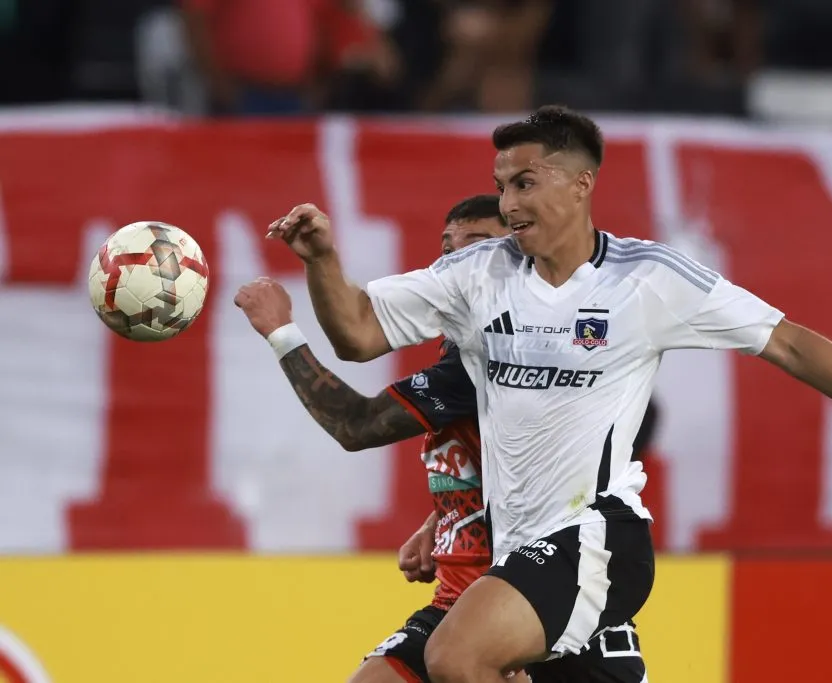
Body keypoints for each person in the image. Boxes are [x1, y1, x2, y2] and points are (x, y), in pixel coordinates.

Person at [264, 105, 832, 683]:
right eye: (502, 184)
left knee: (458, 658)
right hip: (517, 552)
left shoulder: (648, 278)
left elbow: (790, 341)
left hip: (598, 537)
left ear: (580, 184)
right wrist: (324, 261)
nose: (508, 201)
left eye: (525, 183)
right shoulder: (478, 275)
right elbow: (358, 332)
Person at [237, 194, 659, 682]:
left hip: (537, 603)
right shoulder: (471, 354)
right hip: (456, 601)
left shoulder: (515, 357)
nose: (456, 260)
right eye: (447, 248)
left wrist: (281, 332)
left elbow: (354, 424)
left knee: (461, 661)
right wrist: (444, 514)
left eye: (476, 244)